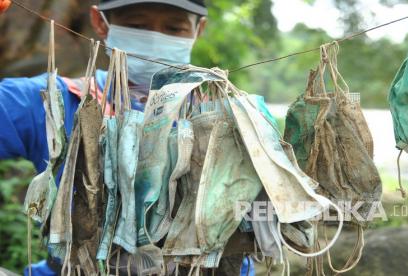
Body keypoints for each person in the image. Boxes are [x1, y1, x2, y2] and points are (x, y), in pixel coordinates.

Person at [0, 0, 254, 275]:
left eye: (174, 27)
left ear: (199, 29)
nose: (155, 40)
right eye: (136, 25)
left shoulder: (229, 119)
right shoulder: (53, 100)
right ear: (99, 22)